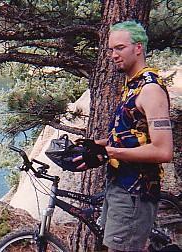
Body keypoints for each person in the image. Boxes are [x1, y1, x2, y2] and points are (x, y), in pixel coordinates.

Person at [75, 20, 173, 251]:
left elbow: (163, 150)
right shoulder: (132, 85)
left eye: (119, 48)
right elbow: (134, 135)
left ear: (138, 48)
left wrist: (108, 152)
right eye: (111, 50)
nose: (113, 55)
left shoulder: (150, 90)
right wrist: (95, 145)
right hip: (119, 186)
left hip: (135, 193)